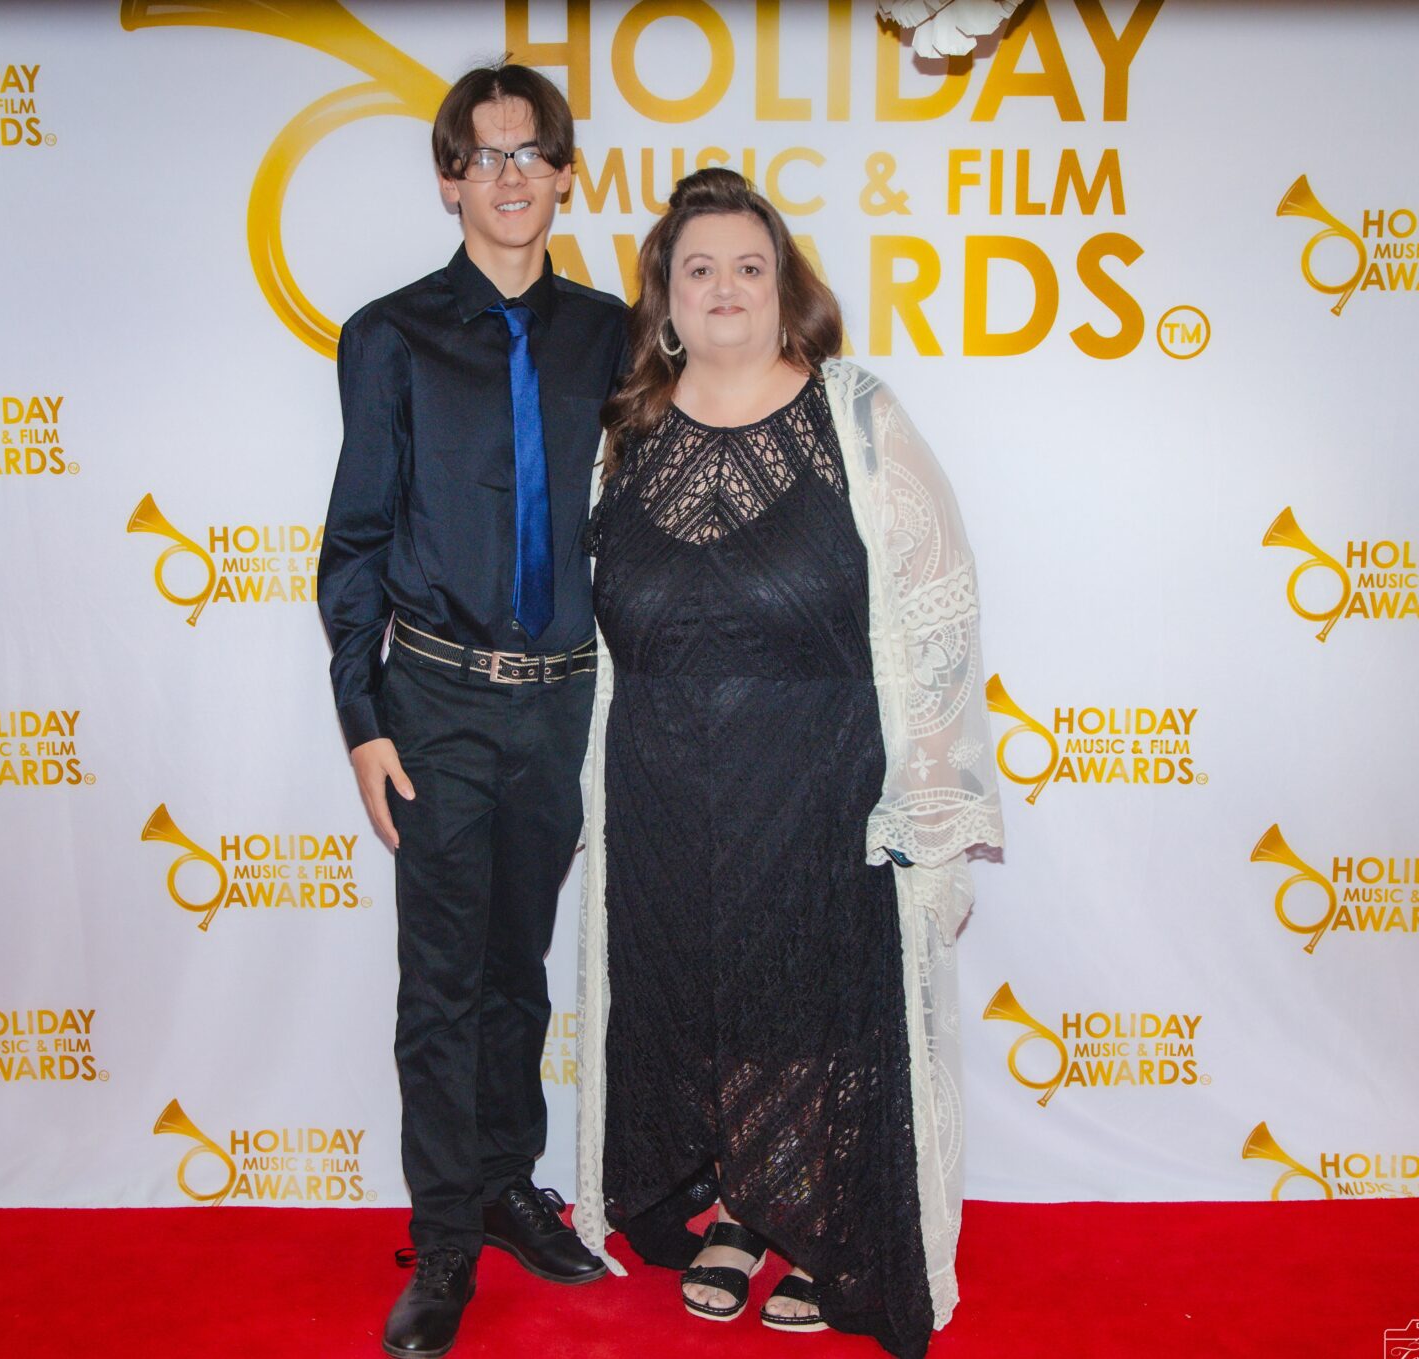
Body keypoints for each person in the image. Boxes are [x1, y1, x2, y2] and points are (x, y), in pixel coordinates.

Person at [572, 168, 1003, 1357]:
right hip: (661, 782)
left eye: (747, 267)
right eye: (697, 268)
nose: (724, 288)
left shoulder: (856, 419)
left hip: (823, 772)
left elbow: (935, 600)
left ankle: (812, 1219)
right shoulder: (623, 435)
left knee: (815, 990)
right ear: (664, 299)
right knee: (696, 993)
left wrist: (925, 776)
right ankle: (743, 1208)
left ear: (783, 290)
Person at [317, 63, 625, 1359]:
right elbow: (354, 537)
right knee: (441, 982)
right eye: (482, 156)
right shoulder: (388, 334)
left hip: (560, 703)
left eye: (529, 153)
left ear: (565, 173)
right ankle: (445, 1240)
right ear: (449, 180)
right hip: (433, 699)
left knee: (517, 970)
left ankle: (508, 1183)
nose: (507, 176)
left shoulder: (610, 332)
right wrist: (360, 713)